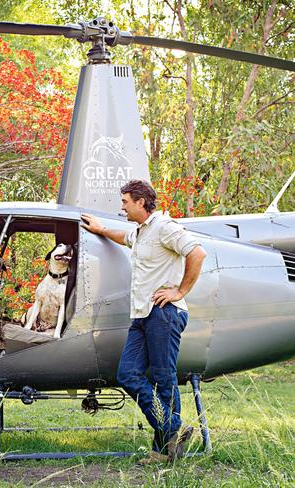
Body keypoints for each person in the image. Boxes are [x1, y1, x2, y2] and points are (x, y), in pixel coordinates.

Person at [81, 179, 207, 464]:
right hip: (141, 316)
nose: (121, 206)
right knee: (128, 375)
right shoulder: (140, 233)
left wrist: (180, 291)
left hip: (164, 314)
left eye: (125, 202)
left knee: (164, 379)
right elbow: (122, 237)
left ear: (140, 202)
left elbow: (197, 253)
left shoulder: (165, 227)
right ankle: (173, 431)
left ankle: (162, 451)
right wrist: (100, 230)